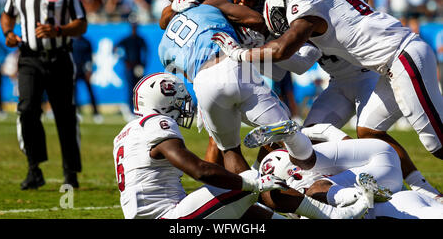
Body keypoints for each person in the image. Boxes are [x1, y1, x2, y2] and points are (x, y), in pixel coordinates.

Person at [212, 0, 443, 160]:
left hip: (402, 57)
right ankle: (425, 193)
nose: (283, 22)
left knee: (437, 142)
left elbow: (283, 49)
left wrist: (240, 53)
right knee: (369, 131)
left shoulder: (305, 6)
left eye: (279, 14)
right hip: (390, 64)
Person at [112, 72, 375, 219]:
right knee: (248, 181)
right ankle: (335, 216)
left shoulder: (125, 134)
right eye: (180, 100)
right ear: (164, 100)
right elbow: (200, 170)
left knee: (243, 208)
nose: (185, 107)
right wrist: (252, 183)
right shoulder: (157, 124)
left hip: (165, 214)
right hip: (171, 218)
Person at [158, 0, 291, 175]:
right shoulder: (212, 2)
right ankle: (303, 185)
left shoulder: (163, 44)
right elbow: (255, 19)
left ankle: (229, 195)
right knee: (286, 131)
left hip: (202, 82)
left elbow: (164, 23)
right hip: (231, 64)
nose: (243, 1)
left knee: (228, 149)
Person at [1, 0, 87, 189]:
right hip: (29, 58)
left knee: (65, 115)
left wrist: (58, 30)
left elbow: (81, 23)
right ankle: (33, 168)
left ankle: (70, 173)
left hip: (59, 57)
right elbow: (7, 15)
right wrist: (8, 33)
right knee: (27, 110)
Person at [259, 148, 443, 219]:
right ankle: (363, 195)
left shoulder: (314, 193)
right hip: (402, 199)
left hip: (394, 210)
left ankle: (363, 196)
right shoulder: (324, 174)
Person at [114, 22, 148, 121]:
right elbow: (115, 48)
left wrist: (143, 64)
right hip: (129, 67)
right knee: (130, 89)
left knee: (139, 89)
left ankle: (139, 110)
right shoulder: (127, 39)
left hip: (138, 67)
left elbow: (146, 52)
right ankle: (130, 109)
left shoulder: (140, 40)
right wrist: (124, 60)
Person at [72, 35, 103, 124]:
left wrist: (89, 70)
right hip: (74, 70)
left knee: (90, 91)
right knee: (74, 93)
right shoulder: (71, 41)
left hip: (84, 71)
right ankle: (77, 112)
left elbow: (90, 57)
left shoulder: (86, 42)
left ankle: (96, 112)